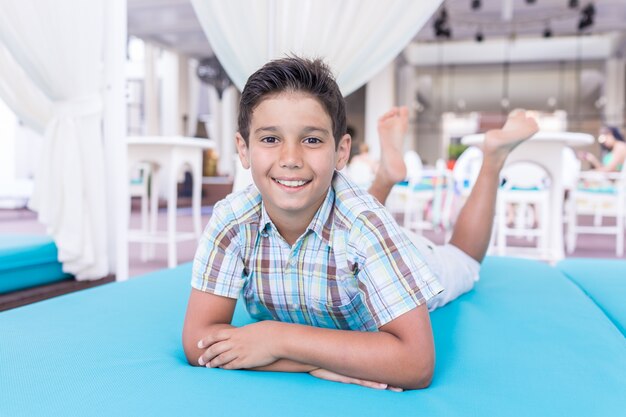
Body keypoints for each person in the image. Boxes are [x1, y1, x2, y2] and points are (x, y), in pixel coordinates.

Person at [182, 57, 539, 391]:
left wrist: (276, 339)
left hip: (408, 255)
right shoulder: (232, 219)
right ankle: (387, 174)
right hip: (355, 248)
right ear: (243, 149)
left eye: (311, 140)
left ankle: (493, 158)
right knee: (346, 226)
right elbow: (198, 341)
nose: (290, 159)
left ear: (341, 151)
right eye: (270, 139)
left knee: (464, 260)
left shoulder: (365, 224)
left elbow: (416, 363)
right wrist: (310, 364)